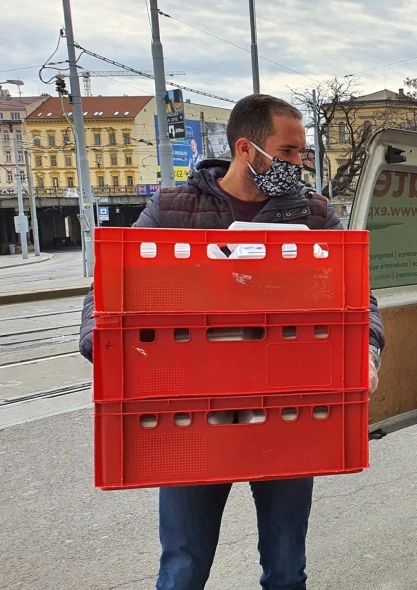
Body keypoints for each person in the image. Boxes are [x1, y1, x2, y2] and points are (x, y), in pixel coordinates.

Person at [77, 94, 386, 590]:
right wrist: (105, 345)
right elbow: (108, 287)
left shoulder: (312, 214)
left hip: (287, 407)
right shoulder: (174, 208)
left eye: (301, 154)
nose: (298, 164)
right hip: (193, 413)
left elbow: (358, 295)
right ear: (247, 149)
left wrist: (367, 348)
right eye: (287, 153)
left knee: (287, 570)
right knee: (183, 569)